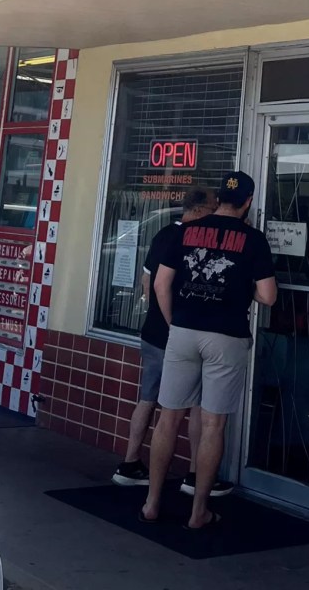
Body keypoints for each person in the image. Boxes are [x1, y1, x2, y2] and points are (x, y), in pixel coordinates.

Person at [141, 171, 276, 530]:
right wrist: (242, 288)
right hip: (226, 336)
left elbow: (160, 283)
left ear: (218, 200)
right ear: (248, 202)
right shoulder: (253, 239)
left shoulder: (185, 232)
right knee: (213, 424)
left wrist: (173, 322)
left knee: (168, 417)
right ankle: (198, 510)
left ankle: (152, 502)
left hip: (183, 331)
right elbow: (268, 296)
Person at [112, 187, 232, 497]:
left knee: (148, 398)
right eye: (214, 208)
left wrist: (156, 314)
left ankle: (129, 464)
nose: (217, 213)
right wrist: (174, 323)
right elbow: (164, 286)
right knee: (195, 405)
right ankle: (195, 476)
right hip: (180, 333)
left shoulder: (163, 234)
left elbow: (147, 282)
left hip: (152, 332)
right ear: (199, 209)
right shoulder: (192, 239)